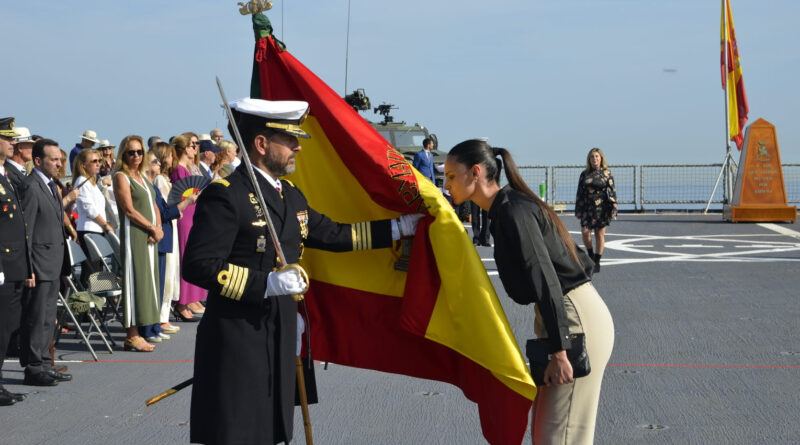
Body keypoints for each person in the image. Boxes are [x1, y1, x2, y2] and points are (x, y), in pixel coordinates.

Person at [182, 98, 422, 445]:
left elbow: (335, 234)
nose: (297, 146)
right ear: (261, 144)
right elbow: (199, 265)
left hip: (282, 330)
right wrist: (266, 283)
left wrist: (399, 228)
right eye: (289, 139)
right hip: (238, 336)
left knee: (269, 429)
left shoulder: (290, 195)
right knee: (237, 432)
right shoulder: (226, 195)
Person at [444, 139, 614, 445]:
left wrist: (559, 349)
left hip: (573, 318)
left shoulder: (512, 212)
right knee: (548, 434)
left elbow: (545, 279)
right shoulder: (508, 208)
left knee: (558, 438)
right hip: (567, 314)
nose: (447, 185)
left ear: (476, 173)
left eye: (452, 176)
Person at [18, 138, 73, 386]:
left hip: (53, 261)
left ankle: (43, 362)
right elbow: (25, 230)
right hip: (39, 263)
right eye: (54, 159)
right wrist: (27, 267)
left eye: (60, 159)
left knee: (48, 316)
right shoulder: (31, 186)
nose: (59, 164)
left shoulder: (51, 185)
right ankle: (33, 367)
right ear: (38, 161)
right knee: (37, 317)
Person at [112, 135, 164, 352]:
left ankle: (141, 330)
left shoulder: (142, 176)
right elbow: (129, 210)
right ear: (124, 154)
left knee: (148, 280)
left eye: (139, 152)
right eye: (131, 152)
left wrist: (158, 228)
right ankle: (131, 334)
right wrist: (151, 228)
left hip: (149, 234)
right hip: (134, 234)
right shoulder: (121, 176)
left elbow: (154, 204)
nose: (136, 156)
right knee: (135, 281)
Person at [145, 149, 196, 336]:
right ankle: (160, 319)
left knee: (170, 274)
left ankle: (163, 318)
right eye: (161, 158)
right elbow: (165, 210)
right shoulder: (157, 182)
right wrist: (185, 203)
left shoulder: (162, 180)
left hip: (169, 228)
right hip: (165, 228)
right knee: (165, 277)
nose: (168, 160)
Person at [0, 117, 31, 405]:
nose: (13, 143)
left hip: (14, 265)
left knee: (6, 326)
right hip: (2, 267)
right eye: (7, 138)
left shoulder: (4, 176)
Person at [169, 133, 205, 320]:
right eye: (193, 144)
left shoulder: (191, 167)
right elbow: (180, 196)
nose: (196, 147)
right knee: (184, 256)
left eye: (197, 144)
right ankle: (182, 301)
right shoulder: (179, 170)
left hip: (194, 214)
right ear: (184, 148)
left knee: (192, 254)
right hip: (185, 215)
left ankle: (192, 297)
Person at [575, 147, 617, 273]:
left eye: (597, 156)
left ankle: (597, 261)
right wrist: (578, 209)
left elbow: (612, 191)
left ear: (601, 158)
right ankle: (590, 255)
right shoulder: (584, 174)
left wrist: (614, 207)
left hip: (602, 208)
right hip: (587, 207)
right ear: (589, 159)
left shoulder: (607, 174)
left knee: (599, 234)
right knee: (585, 232)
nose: (594, 159)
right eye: (592, 157)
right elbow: (580, 192)